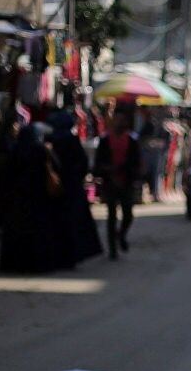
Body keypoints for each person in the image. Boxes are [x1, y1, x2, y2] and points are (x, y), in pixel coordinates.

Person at [0, 124, 57, 273]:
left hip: (16, 200)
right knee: (37, 233)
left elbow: (6, 176)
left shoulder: (14, 151)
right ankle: (37, 264)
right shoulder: (41, 150)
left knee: (16, 232)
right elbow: (56, 168)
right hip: (38, 198)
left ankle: (14, 264)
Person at [47, 111, 102, 267]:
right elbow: (82, 164)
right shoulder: (71, 140)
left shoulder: (50, 140)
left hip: (54, 190)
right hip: (71, 189)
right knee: (72, 226)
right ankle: (70, 257)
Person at [94, 112, 141, 260]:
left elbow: (136, 162)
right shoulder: (105, 140)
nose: (119, 122)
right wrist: (106, 171)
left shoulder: (132, 141)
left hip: (126, 182)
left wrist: (124, 171)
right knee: (111, 216)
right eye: (117, 119)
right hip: (110, 183)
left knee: (128, 215)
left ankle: (121, 235)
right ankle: (112, 250)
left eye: (122, 120)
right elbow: (98, 163)